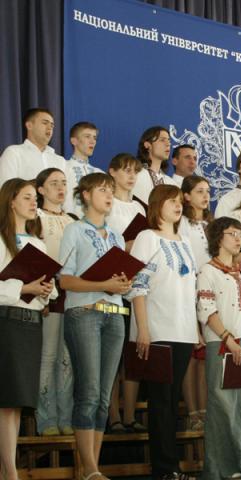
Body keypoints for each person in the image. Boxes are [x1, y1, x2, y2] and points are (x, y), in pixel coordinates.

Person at [59, 173, 131, 480]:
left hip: (114, 314)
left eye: (111, 190)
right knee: (88, 392)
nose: (109, 195)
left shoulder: (116, 236)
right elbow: (64, 280)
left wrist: (123, 284)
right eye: (102, 190)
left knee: (103, 396)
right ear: (86, 195)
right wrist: (103, 284)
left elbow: (121, 281)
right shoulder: (74, 230)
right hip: (84, 313)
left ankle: (94, 468)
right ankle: (88, 467)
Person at [128, 185, 199, 480]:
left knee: (172, 401)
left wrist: (196, 329)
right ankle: (164, 468)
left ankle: (172, 467)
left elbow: (191, 289)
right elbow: (138, 285)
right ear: (157, 205)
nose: (177, 205)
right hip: (157, 329)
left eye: (179, 201)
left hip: (184, 330)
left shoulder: (186, 241)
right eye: (171, 201)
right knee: (160, 401)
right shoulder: (147, 237)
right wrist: (143, 329)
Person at [196, 217, 241, 480]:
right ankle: (225, 469)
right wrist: (228, 339)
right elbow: (206, 309)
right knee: (223, 406)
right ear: (218, 237)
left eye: (240, 234)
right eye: (232, 233)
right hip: (221, 344)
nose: (238, 238)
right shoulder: (208, 271)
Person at [0, 178, 56, 480]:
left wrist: (46, 290)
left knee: (18, 402)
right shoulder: (1, 239)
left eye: (35, 197)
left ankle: (6, 469)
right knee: (6, 401)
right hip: (7, 322)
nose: (34, 202)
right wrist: (24, 287)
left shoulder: (38, 243)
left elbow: (49, 289)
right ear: (11, 201)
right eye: (27, 197)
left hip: (32, 324)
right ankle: (11, 471)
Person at [105, 153, 147, 434]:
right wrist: (125, 244)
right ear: (112, 172)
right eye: (126, 171)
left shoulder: (140, 207)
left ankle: (130, 414)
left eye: (135, 172)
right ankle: (113, 416)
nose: (131, 176)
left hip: (137, 284)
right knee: (113, 354)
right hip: (112, 282)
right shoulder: (108, 203)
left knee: (133, 353)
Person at [34, 168, 75, 436]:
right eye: (54, 183)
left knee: (67, 358)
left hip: (72, 293)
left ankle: (65, 417)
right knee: (48, 355)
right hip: (47, 291)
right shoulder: (36, 217)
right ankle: (46, 418)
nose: (60, 188)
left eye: (63, 183)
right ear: (40, 189)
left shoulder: (73, 219)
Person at [179, 175, 212, 431]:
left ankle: (205, 410)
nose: (205, 196)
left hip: (209, 291)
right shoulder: (182, 223)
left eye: (208, 191)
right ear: (186, 196)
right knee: (191, 356)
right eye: (199, 191)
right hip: (189, 290)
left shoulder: (211, 224)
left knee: (205, 357)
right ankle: (192, 412)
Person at [0, 108, 66, 186]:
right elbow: (6, 188)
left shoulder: (60, 160)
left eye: (52, 125)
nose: (49, 128)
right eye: (45, 123)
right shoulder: (13, 153)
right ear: (29, 125)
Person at [64, 121, 102, 216]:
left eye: (94, 137)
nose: (92, 141)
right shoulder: (64, 168)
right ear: (74, 141)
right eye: (87, 136)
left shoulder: (100, 173)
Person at [132, 126, 177, 203]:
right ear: (147, 145)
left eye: (169, 140)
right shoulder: (134, 176)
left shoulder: (171, 183)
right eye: (162, 140)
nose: (168, 144)